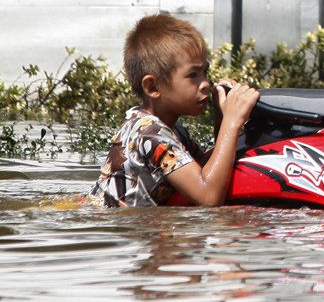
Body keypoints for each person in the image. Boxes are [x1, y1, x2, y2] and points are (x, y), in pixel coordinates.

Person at [90, 14, 259, 207]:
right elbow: (209, 196)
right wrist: (231, 123)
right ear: (153, 87)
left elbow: (205, 168)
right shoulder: (151, 135)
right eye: (192, 75)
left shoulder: (171, 129)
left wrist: (222, 117)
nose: (205, 83)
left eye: (205, 72)